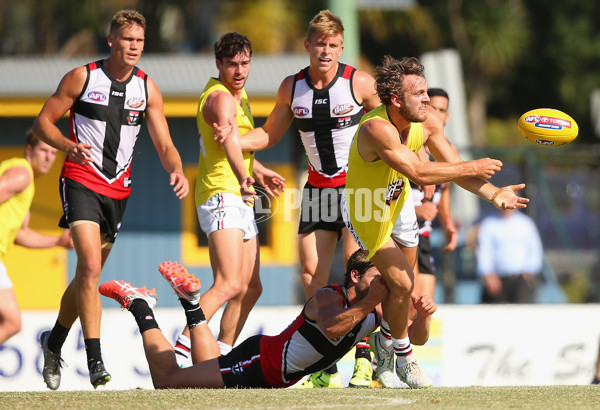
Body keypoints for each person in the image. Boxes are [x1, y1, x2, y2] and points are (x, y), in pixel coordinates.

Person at [213, 9, 381, 388]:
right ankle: (325, 365)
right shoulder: (292, 87)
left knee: (360, 274)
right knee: (311, 276)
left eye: (333, 45)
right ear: (307, 45)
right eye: (320, 43)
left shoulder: (359, 82)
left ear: (341, 48)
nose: (326, 51)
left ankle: (365, 359)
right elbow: (269, 134)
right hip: (318, 190)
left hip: (357, 190)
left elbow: (390, 124)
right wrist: (234, 139)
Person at [342, 55, 529, 388]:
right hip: (367, 210)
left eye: (426, 91)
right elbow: (419, 171)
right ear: (397, 99)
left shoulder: (426, 122)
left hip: (397, 202)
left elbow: (453, 166)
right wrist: (472, 167)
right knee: (400, 284)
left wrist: (494, 195)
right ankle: (404, 356)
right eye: (419, 93)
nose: (427, 99)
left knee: (405, 286)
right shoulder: (376, 128)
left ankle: (382, 343)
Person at [31, 9, 189, 390]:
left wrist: (177, 168)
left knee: (89, 275)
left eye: (139, 41)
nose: (134, 47)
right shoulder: (82, 77)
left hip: (118, 191)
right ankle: (94, 361)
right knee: (87, 267)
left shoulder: (147, 87)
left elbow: (165, 143)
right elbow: (43, 122)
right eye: (127, 39)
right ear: (111, 41)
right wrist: (68, 146)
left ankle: (53, 342)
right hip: (82, 181)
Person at [98, 250, 429, 389]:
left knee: (207, 371)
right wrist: (372, 300)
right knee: (168, 381)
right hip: (260, 362)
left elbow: (412, 338)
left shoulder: (375, 309)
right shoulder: (329, 297)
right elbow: (332, 327)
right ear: (355, 275)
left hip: (269, 371)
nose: (384, 281)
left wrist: (424, 316)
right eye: (377, 275)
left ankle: (193, 304)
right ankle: (140, 304)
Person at [171, 32, 286, 366]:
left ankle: (221, 353)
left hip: (238, 194)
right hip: (221, 193)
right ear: (218, 64)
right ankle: (182, 346)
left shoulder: (240, 95)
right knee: (229, 282)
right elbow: (228, 143)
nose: (239, 70)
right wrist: (243, 175)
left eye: (245, 63)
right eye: (232, 64)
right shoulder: (221, 99)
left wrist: (257, 170)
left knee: (251, 287)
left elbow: (233, 143)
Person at [0, 131, 73, 346]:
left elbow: (21, 234)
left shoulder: (26, 184)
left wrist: (57, 242)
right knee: (11, 321)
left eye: (53, 152)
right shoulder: (22, 174)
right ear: (29, 150)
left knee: (12, 322)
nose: (49, 157)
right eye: (44, 150)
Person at [409, 87, 458, 334]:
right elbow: (384, 192)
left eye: (442, 110)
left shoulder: (450, 151)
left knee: (424, 310)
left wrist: (448, 224)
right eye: (432, 108)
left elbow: (445, 190)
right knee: (406, 303)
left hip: (424, 237)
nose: (436, 114)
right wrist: (416, 210)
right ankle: (381, 357)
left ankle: (407, 363)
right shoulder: (406, 143)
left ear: (447, 117)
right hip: (399, 235)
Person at [476, 208, 543, 303]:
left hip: (520, 280)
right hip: (497, 280)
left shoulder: (525, 224)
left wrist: (530, 270)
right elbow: (484, 251)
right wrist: (488, 274)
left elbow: (535, 249)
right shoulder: (489, 224)